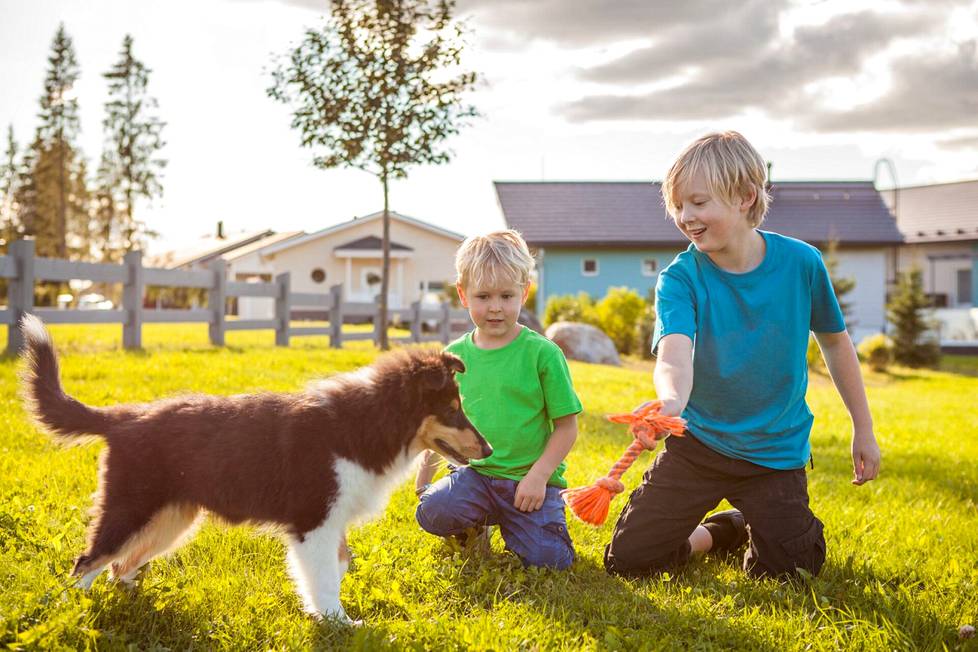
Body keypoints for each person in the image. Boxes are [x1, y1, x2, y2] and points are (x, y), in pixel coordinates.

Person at [603, 131, 881, 579]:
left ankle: (766, 525)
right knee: (629, 562)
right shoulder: (680, 278)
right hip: (698, 445)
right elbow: (675, 353)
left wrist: (862, 428)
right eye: (677, 206)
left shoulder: (802, 263)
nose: (685, 217)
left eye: (698, 202)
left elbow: (835, 341)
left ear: (745, 197)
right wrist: (670, 404)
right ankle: (723, 532)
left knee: (793, 575)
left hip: (774, 453)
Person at [415, 230, 582, 569]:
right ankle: (473, 525)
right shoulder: (454, 356)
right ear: (463, 295)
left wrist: (538, 476)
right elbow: (438, 425)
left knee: (550, 561)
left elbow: (567, 427)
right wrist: (424, 482)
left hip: (530, 481)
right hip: (475, 475)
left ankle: (527, 526)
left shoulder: (543, 354)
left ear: (525, 292)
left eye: (507, 296)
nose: (495, 308)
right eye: (483, 296)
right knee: (432, 511)